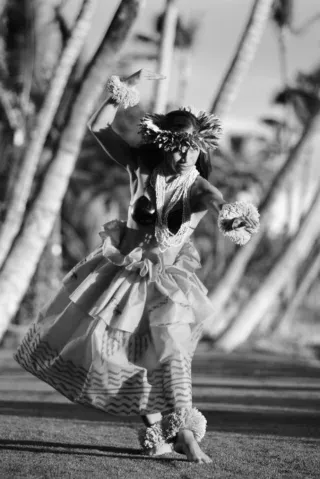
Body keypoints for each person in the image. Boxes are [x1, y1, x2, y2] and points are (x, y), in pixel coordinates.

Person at [14, 69, 259, 464]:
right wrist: (121, 91)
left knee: (172, 357)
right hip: (120, 277)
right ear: (164, 144)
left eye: (191, 148)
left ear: (202, 148)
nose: (183, 156)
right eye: (176, 147)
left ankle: (184, 432)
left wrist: (233, 216)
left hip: (166, 284)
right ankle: (156, 433)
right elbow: (100, 126)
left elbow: (219, 204)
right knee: (124, 358)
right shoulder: (141, 168)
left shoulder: (199, 189)